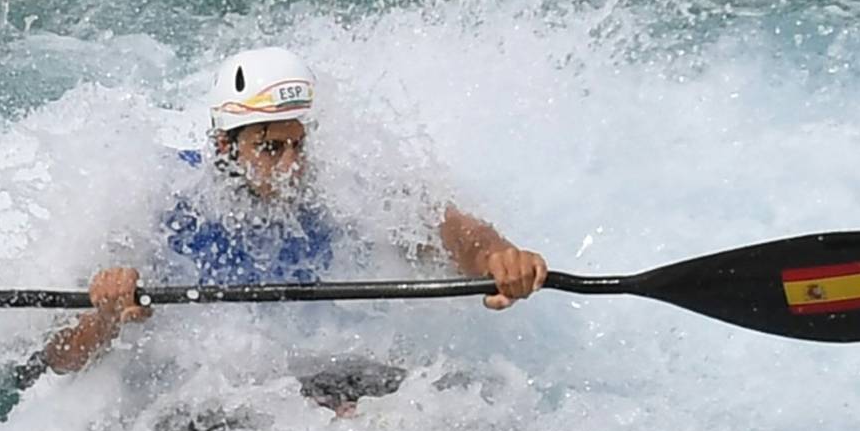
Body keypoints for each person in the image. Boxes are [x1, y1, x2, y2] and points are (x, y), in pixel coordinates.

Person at [41, 46, 548, 374]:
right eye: (270, 149)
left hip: (327, 390)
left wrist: (496, 257)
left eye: (297, 146)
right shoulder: (160, 196)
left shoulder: (340, 190)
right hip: (213, 401)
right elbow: (60, 357)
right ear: (225, 146)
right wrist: (106, 313)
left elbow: (446, 228)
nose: (290, 167)